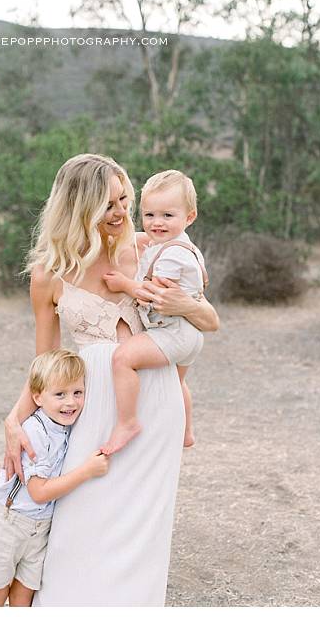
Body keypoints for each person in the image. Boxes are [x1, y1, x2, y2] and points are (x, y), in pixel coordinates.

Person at [3, 154, 219, 606]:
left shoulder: (151, 249)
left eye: (125, 199)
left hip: (153, 400)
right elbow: (46, 361)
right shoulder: (48, 273)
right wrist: (14, 420)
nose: (122, 212)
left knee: (142, 526)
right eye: (108, 203)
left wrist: (183, 305)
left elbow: (208, 319)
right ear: (79, 207)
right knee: (77, 522)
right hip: (88, 402)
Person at [0, 350, 108, 607]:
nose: (70, 402)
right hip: (11, 522)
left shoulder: (66, 426)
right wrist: (87, 471)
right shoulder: (34, 432)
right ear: (37, 397)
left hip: (41, 528)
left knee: (24, 594)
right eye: (60, 394)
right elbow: (38, 492)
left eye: (77, 393)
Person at [101, 170, 207, 455]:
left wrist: (124, 284)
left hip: (173, 332)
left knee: (122, 358)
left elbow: (154, 294)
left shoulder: (172, 254)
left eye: (167, 216)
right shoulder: (183, 247)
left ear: (189, 217)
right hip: (190, 335)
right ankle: (186, 431)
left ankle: (127, 422)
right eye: (149, 215)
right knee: (177, 382)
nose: (156, 223)